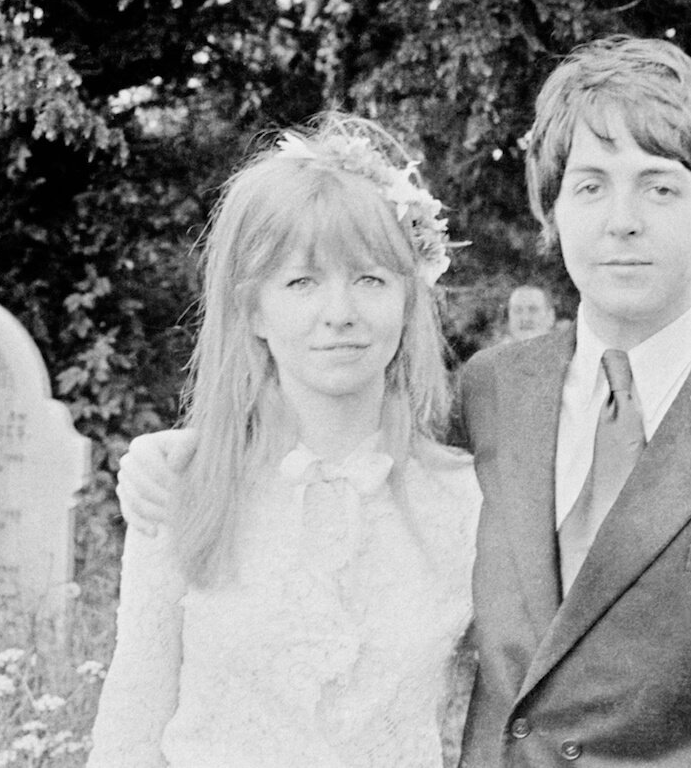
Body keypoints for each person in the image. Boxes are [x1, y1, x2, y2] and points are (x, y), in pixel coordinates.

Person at [118, 37, 691, 767]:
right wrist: (167, 456)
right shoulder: (489, 394)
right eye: (591, 186)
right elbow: (334, 445)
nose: (623, 223)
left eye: (661, 188)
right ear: (552, 208)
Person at [88, 114, 480, 767]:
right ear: (254, 309)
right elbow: (132, 725)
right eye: (302, 282)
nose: (339, 313)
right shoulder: (182, 483)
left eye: (370, 279)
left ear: (409, 299)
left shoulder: (464, 499)